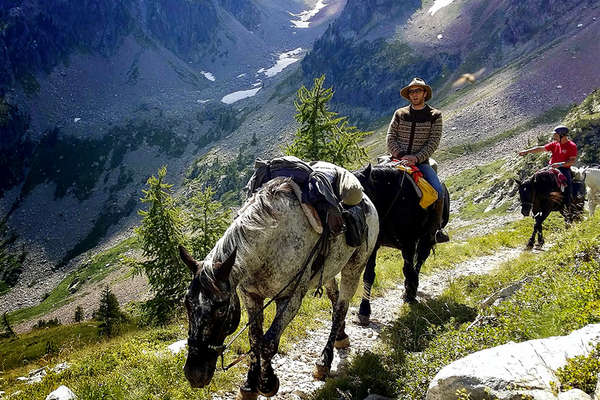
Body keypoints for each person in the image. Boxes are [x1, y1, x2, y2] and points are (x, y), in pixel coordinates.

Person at [386, 77, 448, 243]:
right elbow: (390, 137)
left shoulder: (435, 115)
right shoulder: (400, 113)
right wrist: (400, 155)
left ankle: (436, 229)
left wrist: (416, 158)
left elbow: (433, 141)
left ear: (425, 93)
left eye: (418, 91)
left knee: (438, 190)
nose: (414, 94)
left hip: (420, 162)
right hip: (396, 159)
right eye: (412, 92)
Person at [518, 125, 578, 209]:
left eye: (556, 135)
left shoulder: (571, 146)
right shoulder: (555, 144)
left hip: (563, 169)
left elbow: (572, 161)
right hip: (551, 167)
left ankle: (568, 205)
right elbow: (541, 148)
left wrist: (559, 164)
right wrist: (527, 151)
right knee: (536, 178)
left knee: (568, 185)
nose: (554, 137)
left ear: (562, 135)